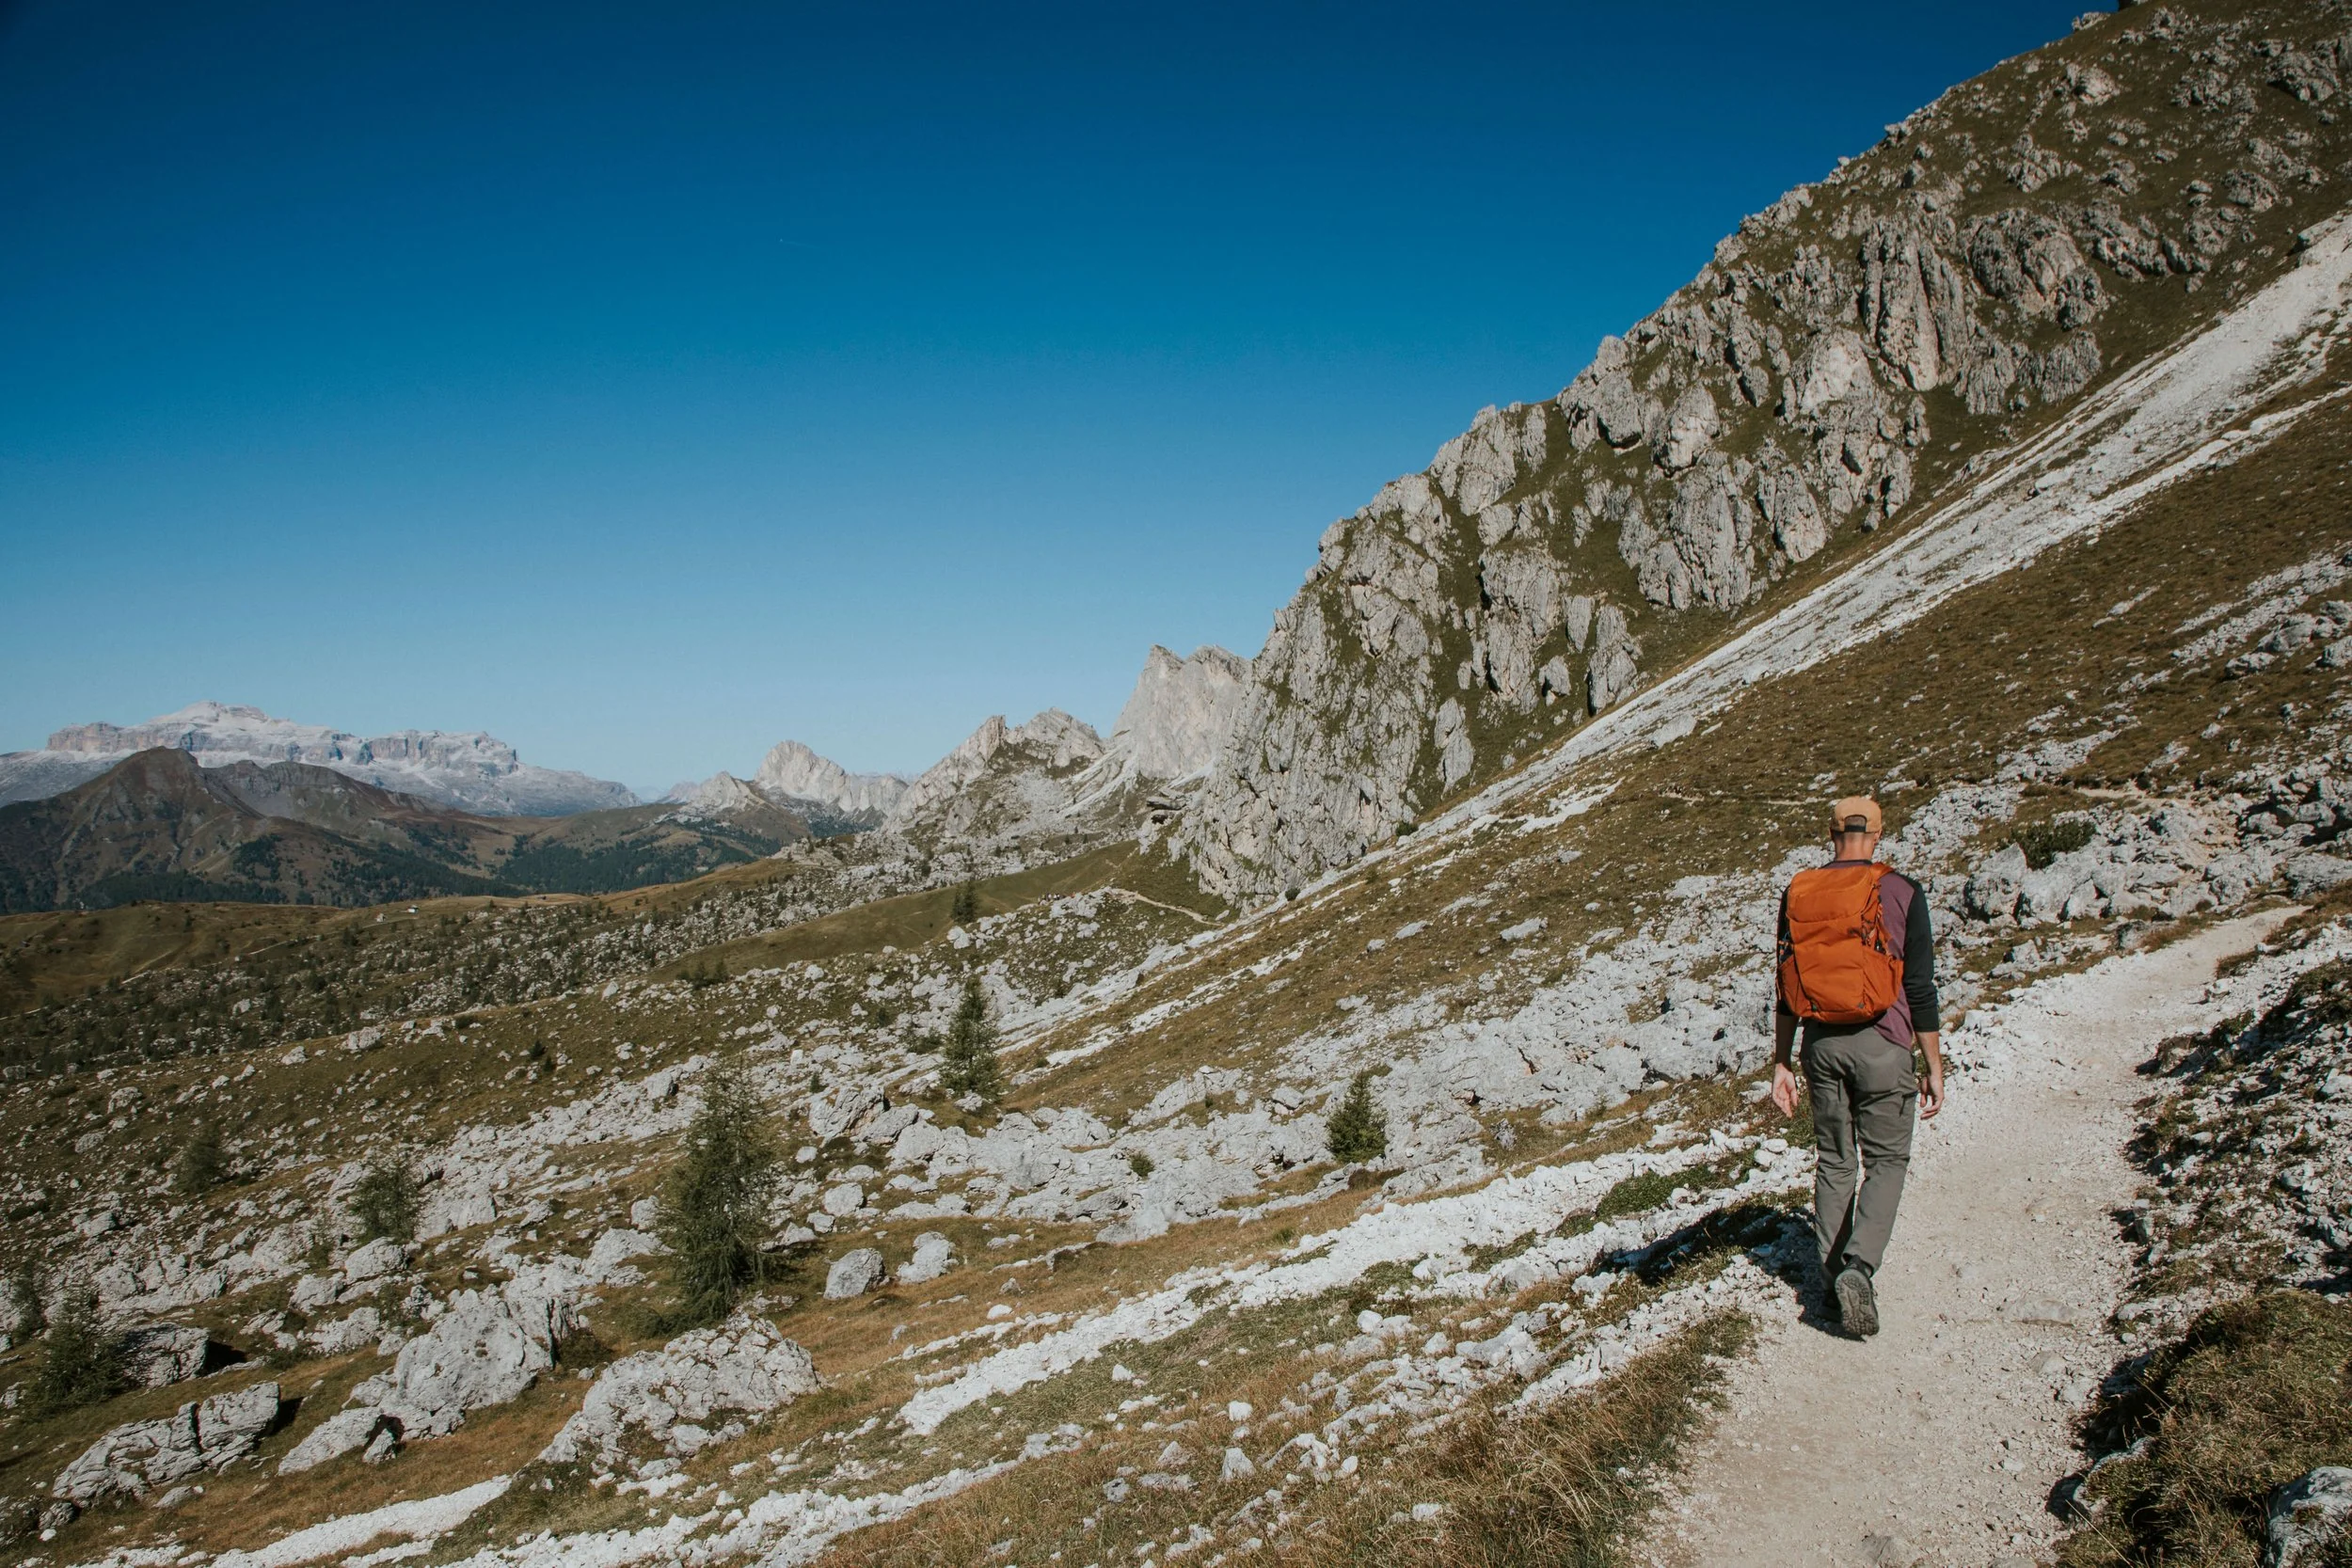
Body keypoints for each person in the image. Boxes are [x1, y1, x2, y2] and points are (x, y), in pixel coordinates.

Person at [1769, 795, 1944, 1338]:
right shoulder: (1901, 890)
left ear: (1831, 834)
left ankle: (1828, 1282)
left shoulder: (1799, 891)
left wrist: (1781, 1063)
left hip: (1821, 1046)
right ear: (1878, 835)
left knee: (1835, 1160)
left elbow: (1785, 986)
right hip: (1884, 1044)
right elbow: (1920, 987)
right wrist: (1933, 1064)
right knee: (1887, 1160)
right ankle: (1859, 1267)